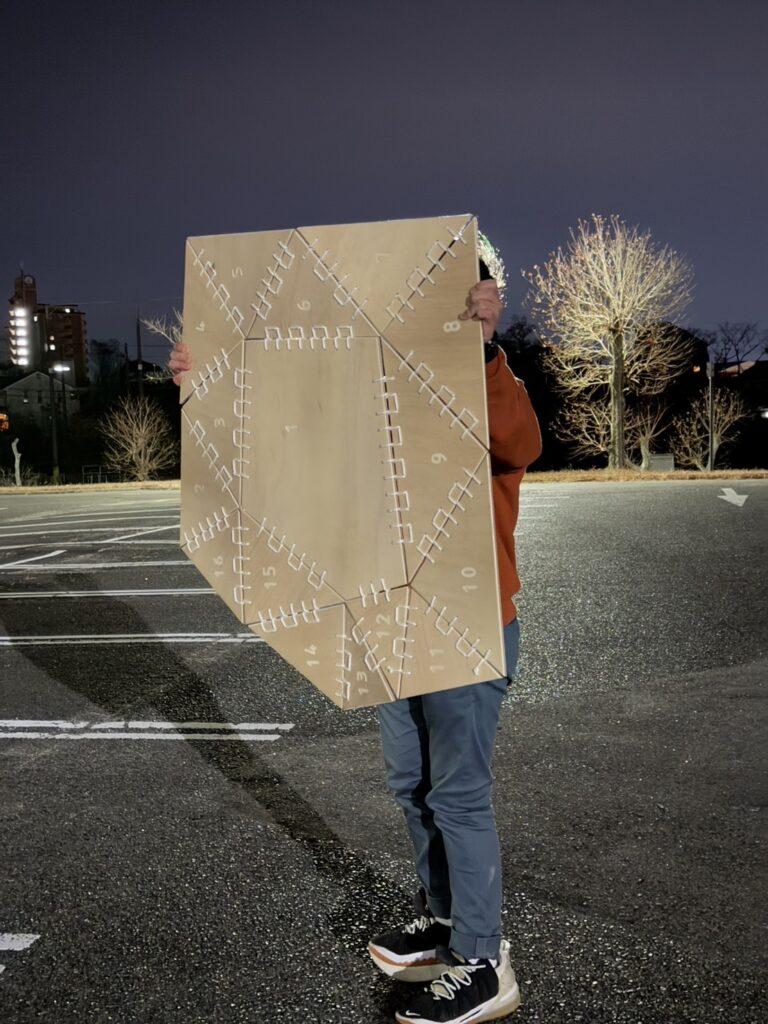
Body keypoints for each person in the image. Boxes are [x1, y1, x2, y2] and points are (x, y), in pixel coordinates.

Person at [169, 259, 542, 1024]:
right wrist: (202, 395)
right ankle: (444, 925)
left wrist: (480, 348)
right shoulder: (378, 386)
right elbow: (287, 452)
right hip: (391, 615)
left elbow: (522, 440)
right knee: (412, 786)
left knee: (460, 795)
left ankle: (482, 960)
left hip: (467, 617)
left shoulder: (484, 377)